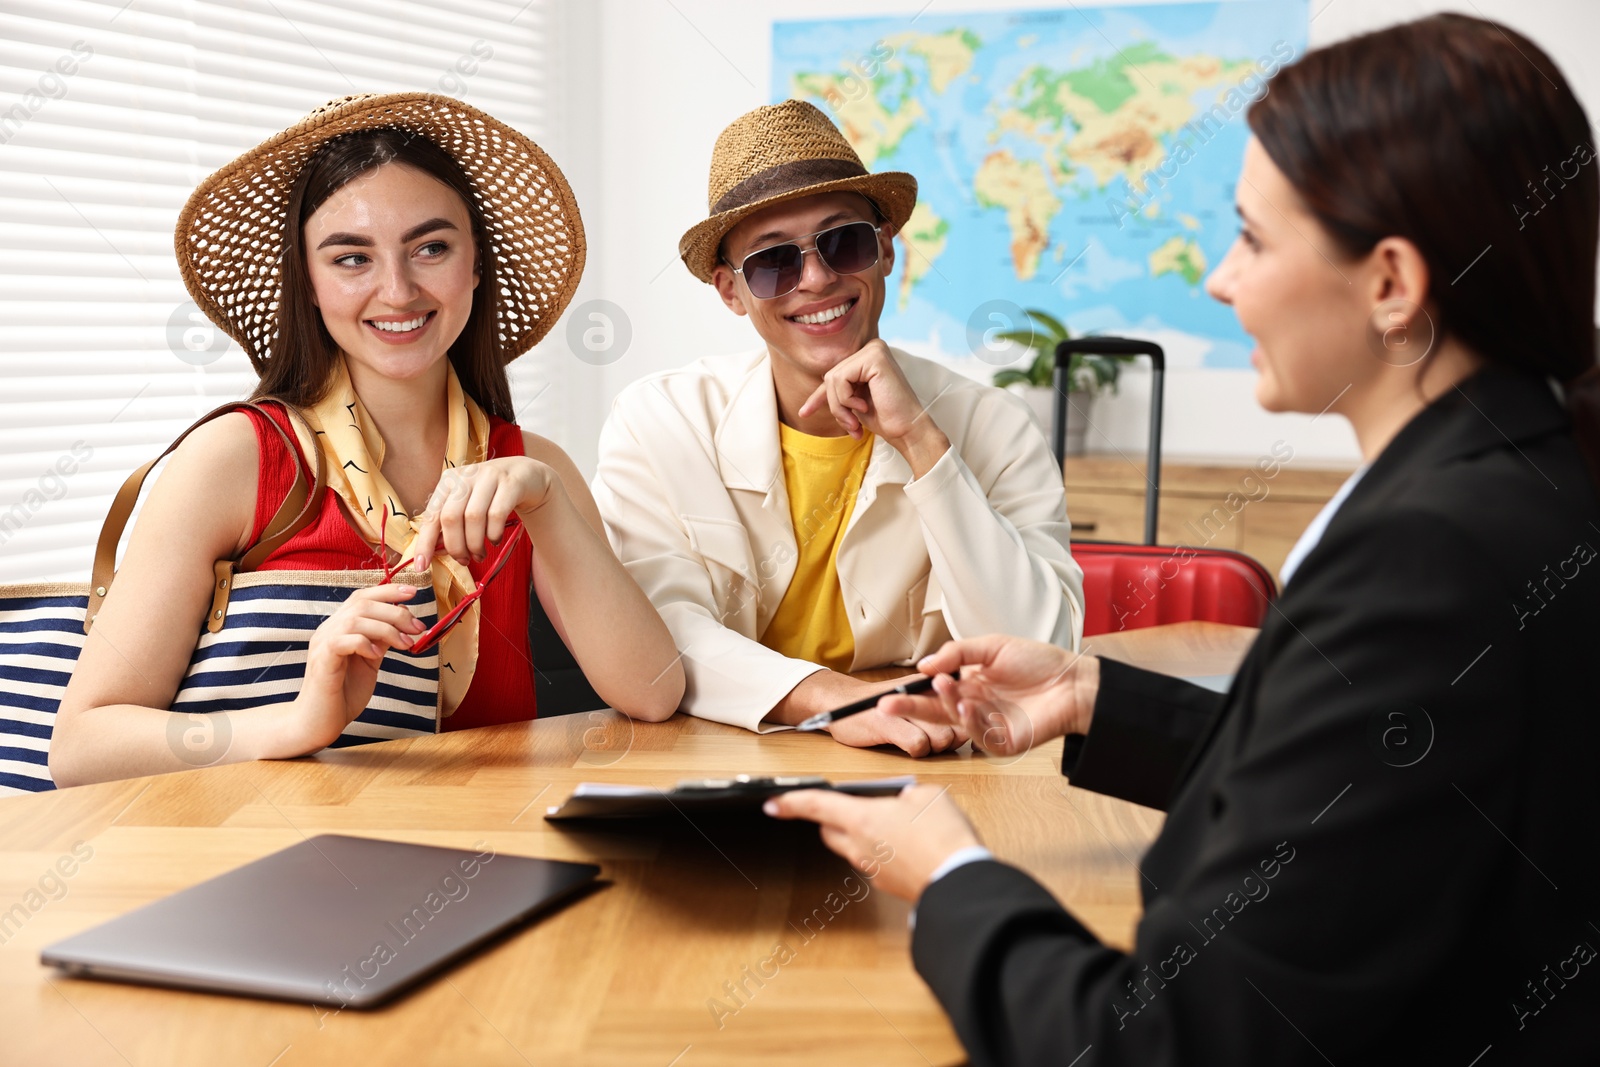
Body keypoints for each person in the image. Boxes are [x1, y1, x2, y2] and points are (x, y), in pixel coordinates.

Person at [768, 15, 1600, 1064]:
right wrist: (1098, 699)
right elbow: (1376, 784)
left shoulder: (1431, 556)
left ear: (1390, 283)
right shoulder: (1516, 478)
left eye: (1251, 237)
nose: (1220, 279)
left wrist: (949, 879)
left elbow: (1164, 1040)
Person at [50, 93, 684, 788]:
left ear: (476, 265)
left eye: (431, 248)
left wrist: (551, 502)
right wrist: (299, 722)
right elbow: (83, 743)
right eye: (352, 258)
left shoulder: (532, 471)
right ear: (311, 284)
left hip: (494, 863)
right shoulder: (236, 459)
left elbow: (653, 693)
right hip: (276, 873)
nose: (398, 289)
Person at [591, 100, 1084, 756]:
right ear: (731, 292)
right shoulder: (658, 422)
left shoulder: (995, 427)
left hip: (929, 771)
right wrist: (833, 700)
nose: (818, 278)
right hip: (717, 769)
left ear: (884, 249)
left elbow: (1041, 660)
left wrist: (924, 447)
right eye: (773, 263)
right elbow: (659, 634)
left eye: (842, 242)